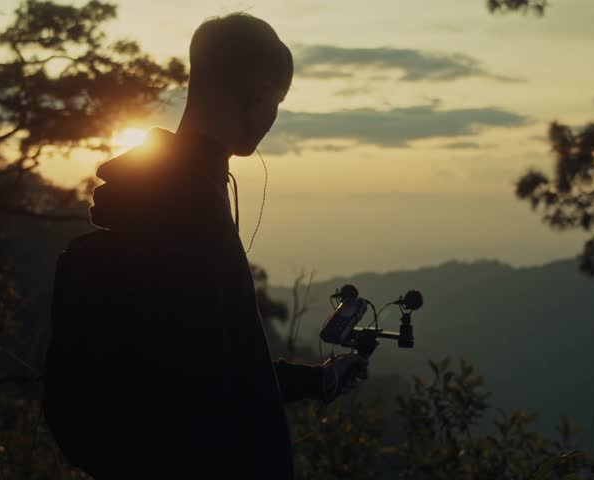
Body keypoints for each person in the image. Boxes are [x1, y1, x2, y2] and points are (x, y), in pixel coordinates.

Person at [42, 12, 369, 480]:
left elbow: (213, 366)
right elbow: (205, 392)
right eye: (276, 103)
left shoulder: (158, 197)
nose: (272, 118)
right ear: (258, 96)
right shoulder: (193, 213)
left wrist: (314, 380)